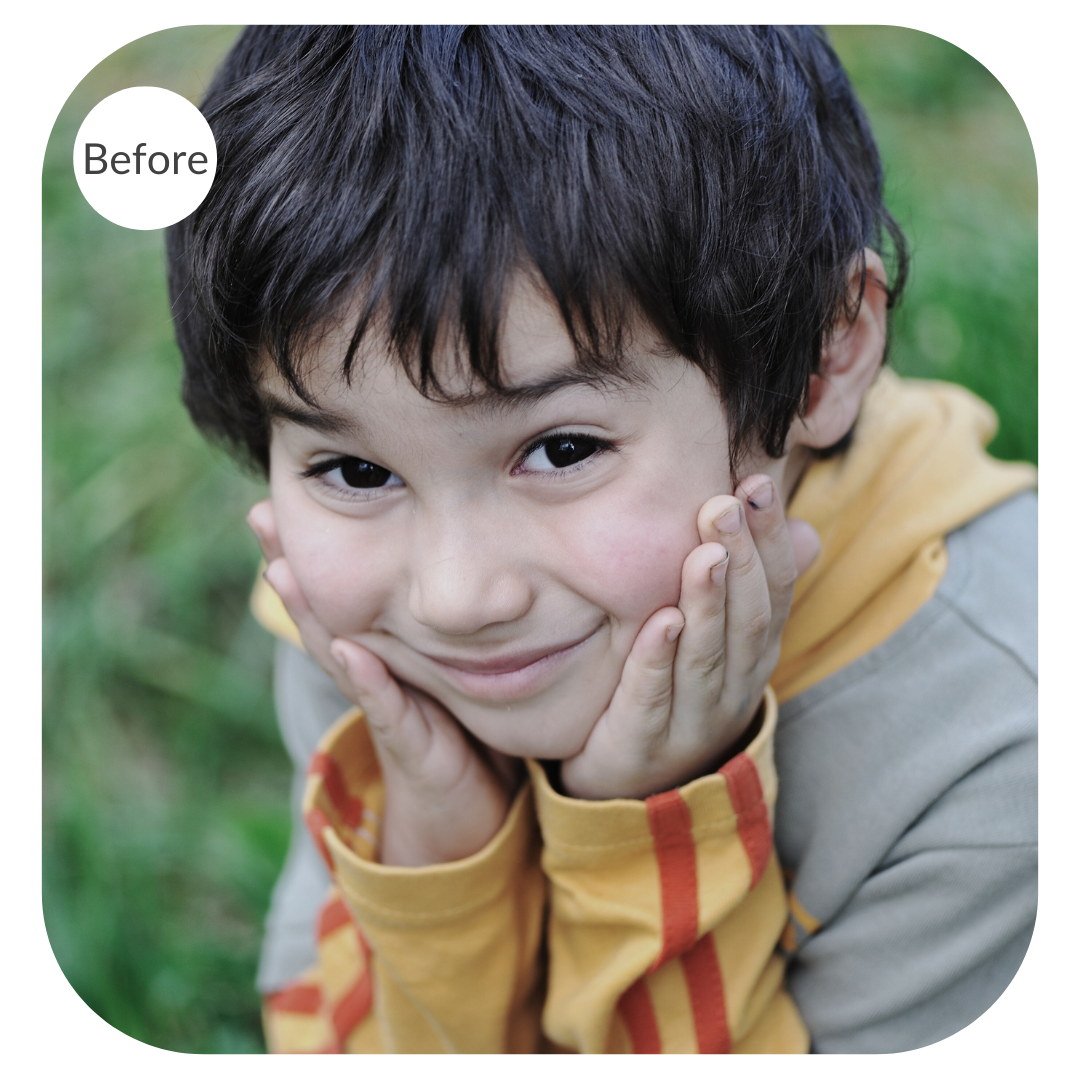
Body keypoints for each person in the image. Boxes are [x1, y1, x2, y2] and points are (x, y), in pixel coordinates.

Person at [167, 26, 1038, 1054]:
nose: (455, 596)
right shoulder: (366, 641)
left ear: (821, 357)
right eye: (357, 472)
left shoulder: (999, 767)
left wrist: (650, 826)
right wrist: (434, 845)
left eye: (563, 447)